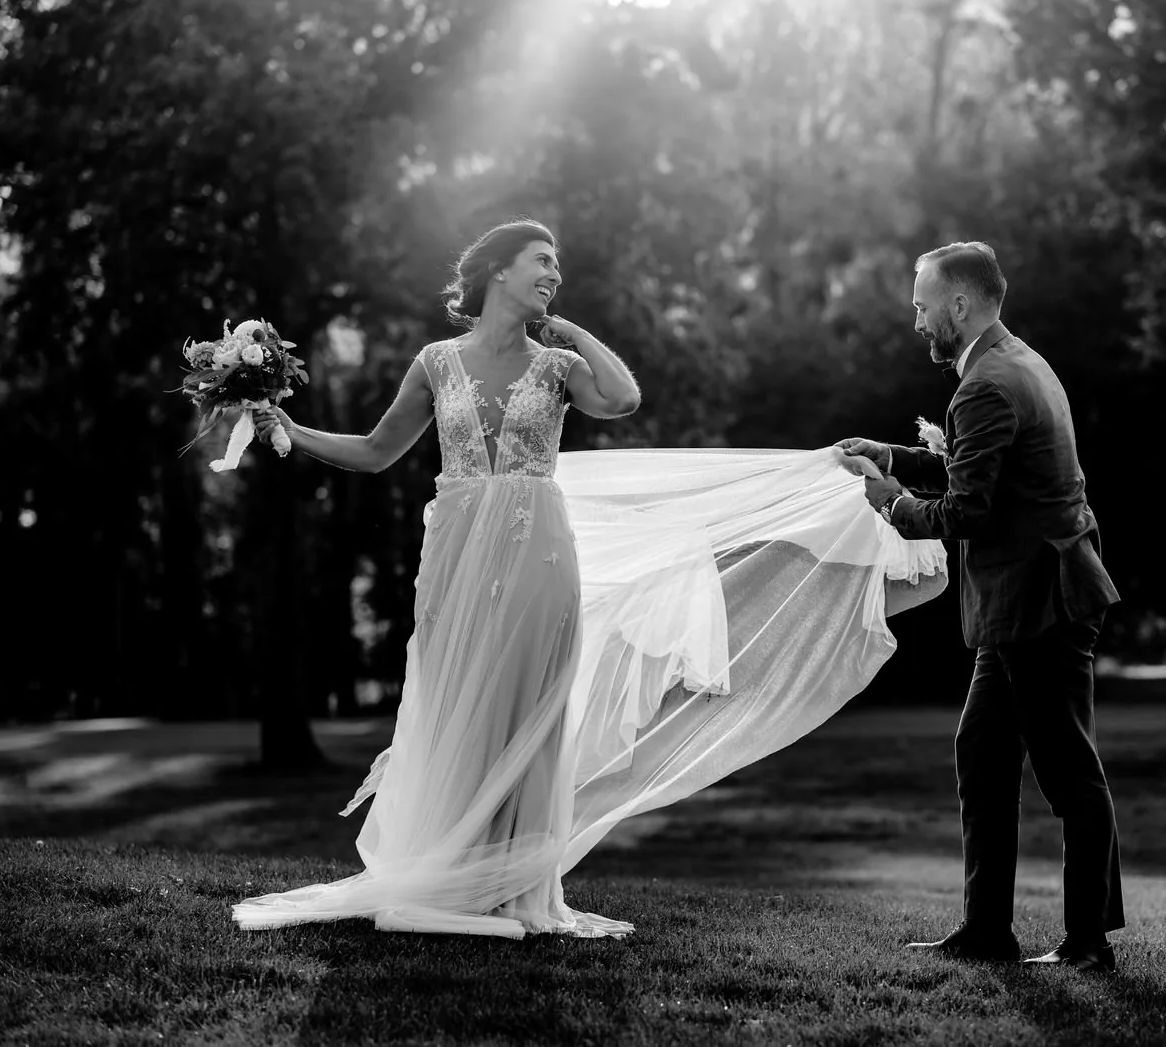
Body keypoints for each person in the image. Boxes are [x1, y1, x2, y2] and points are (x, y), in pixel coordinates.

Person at [231, 219, 951, 938]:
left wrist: (569, 329)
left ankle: (514, 886)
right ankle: (447, 866)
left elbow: (622, 397)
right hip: (455, 553)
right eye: (540, 261)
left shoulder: (556, 367)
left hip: (539, 551)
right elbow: (377, 449)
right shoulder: (435, 361)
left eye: (557, 264)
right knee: (454, 700)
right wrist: (292, 431)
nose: (553, 272)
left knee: (531, 706)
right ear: (496, 271)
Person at [837, 241, 1124, 973]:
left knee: (1067, 769)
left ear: (958, 304)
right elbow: (977, 464)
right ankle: (986, 930)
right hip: (1036, 593)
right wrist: (896, 454)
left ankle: (1088, 944)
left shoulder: (986, 383)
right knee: (984, 751)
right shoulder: (1014, 361)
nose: (917, 321)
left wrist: (893, 505)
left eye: (922, 306)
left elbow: (968, 508)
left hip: (1040, 599)